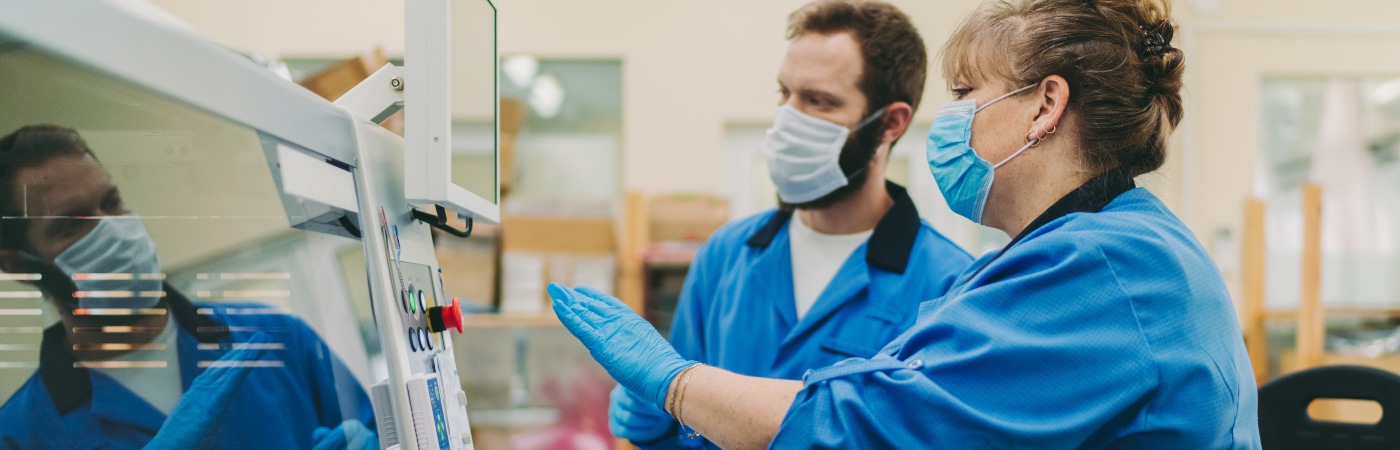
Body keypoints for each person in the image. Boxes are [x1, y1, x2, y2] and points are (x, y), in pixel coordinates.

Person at [551, 0, 1262, 448]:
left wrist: (675, 383)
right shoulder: (1071, 251)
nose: (950, 121)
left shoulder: (1104, 269)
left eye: (965, 95)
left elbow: (874, 423)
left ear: (1046, 107)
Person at [608, 1, 973, 448]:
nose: (788, 120)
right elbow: (678, 425)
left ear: (891, 124)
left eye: (819, 101)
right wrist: (653, 424)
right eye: (786, 95)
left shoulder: (949, 284)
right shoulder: (727, 254)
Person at [0, 125, 377, 449]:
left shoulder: (276, 339)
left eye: (111, 202)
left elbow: (381, 430)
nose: (111, 229)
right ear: (19, 265)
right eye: (70, 224)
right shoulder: (20, 434)